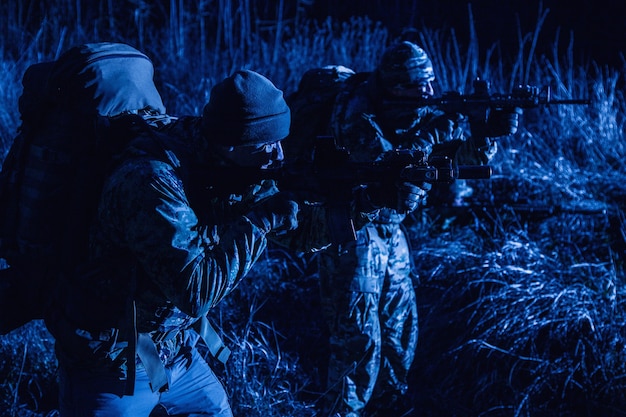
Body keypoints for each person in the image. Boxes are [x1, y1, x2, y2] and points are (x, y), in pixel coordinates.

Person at [45, 69, 299, 416]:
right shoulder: (151, 181)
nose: (278, 155)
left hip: (174, 350)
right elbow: (195, 291)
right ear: (230, 144)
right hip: (108, 362)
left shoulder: (225, 162)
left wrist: (363, 204)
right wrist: (260, 221)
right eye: (266, 144)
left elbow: (295, 228)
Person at [315, 41, 521, 417]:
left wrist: (482, 130)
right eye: (418, 85)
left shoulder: (416, 112)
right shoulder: (355, 113)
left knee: (400, 324)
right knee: (358, 339)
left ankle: (390, 404)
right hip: (353, 227)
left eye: (431, 82)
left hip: (391, 230)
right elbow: (390, 165)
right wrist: (441, 127)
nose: (429, 92)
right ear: (394, 87)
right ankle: (343, 411)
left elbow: (461, 160)